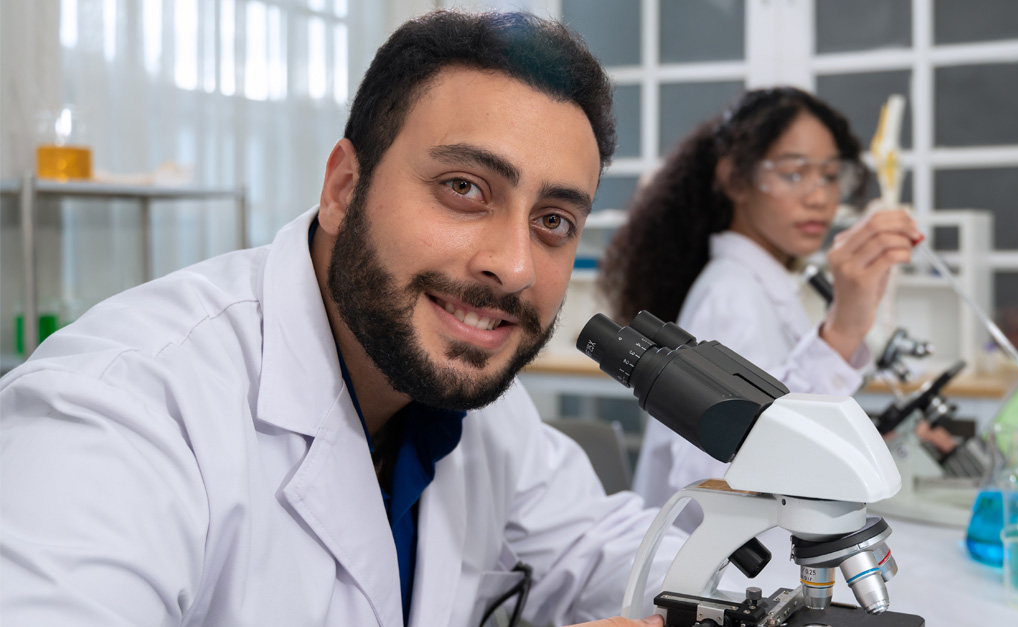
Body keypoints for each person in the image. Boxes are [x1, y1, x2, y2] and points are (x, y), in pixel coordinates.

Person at [0, 11, 677, 627]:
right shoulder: (117, 411)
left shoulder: (477, 407)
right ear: (343, 190)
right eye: (464, 188)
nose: (516, 265)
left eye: (554, 221)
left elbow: (608, 555)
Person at [599, 87, 922, 532]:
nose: (819, 197)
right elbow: (714, 477)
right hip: (703, 572)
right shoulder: (731, 296)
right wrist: (845, 324)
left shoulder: (759, 286)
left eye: (831, 176)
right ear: (736, 180)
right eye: (793, 173)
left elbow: (778, 420)